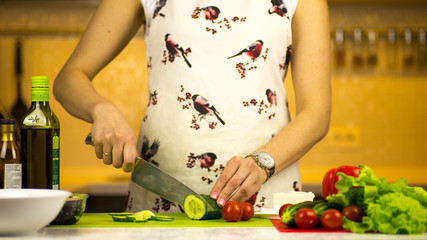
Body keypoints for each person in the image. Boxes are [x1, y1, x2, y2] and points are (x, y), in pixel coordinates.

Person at [53, 0, 331, 212]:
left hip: (265, 199)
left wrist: (262, 164)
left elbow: (316, 113)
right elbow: (69, 78)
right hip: (162, 196)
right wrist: (103, 110)